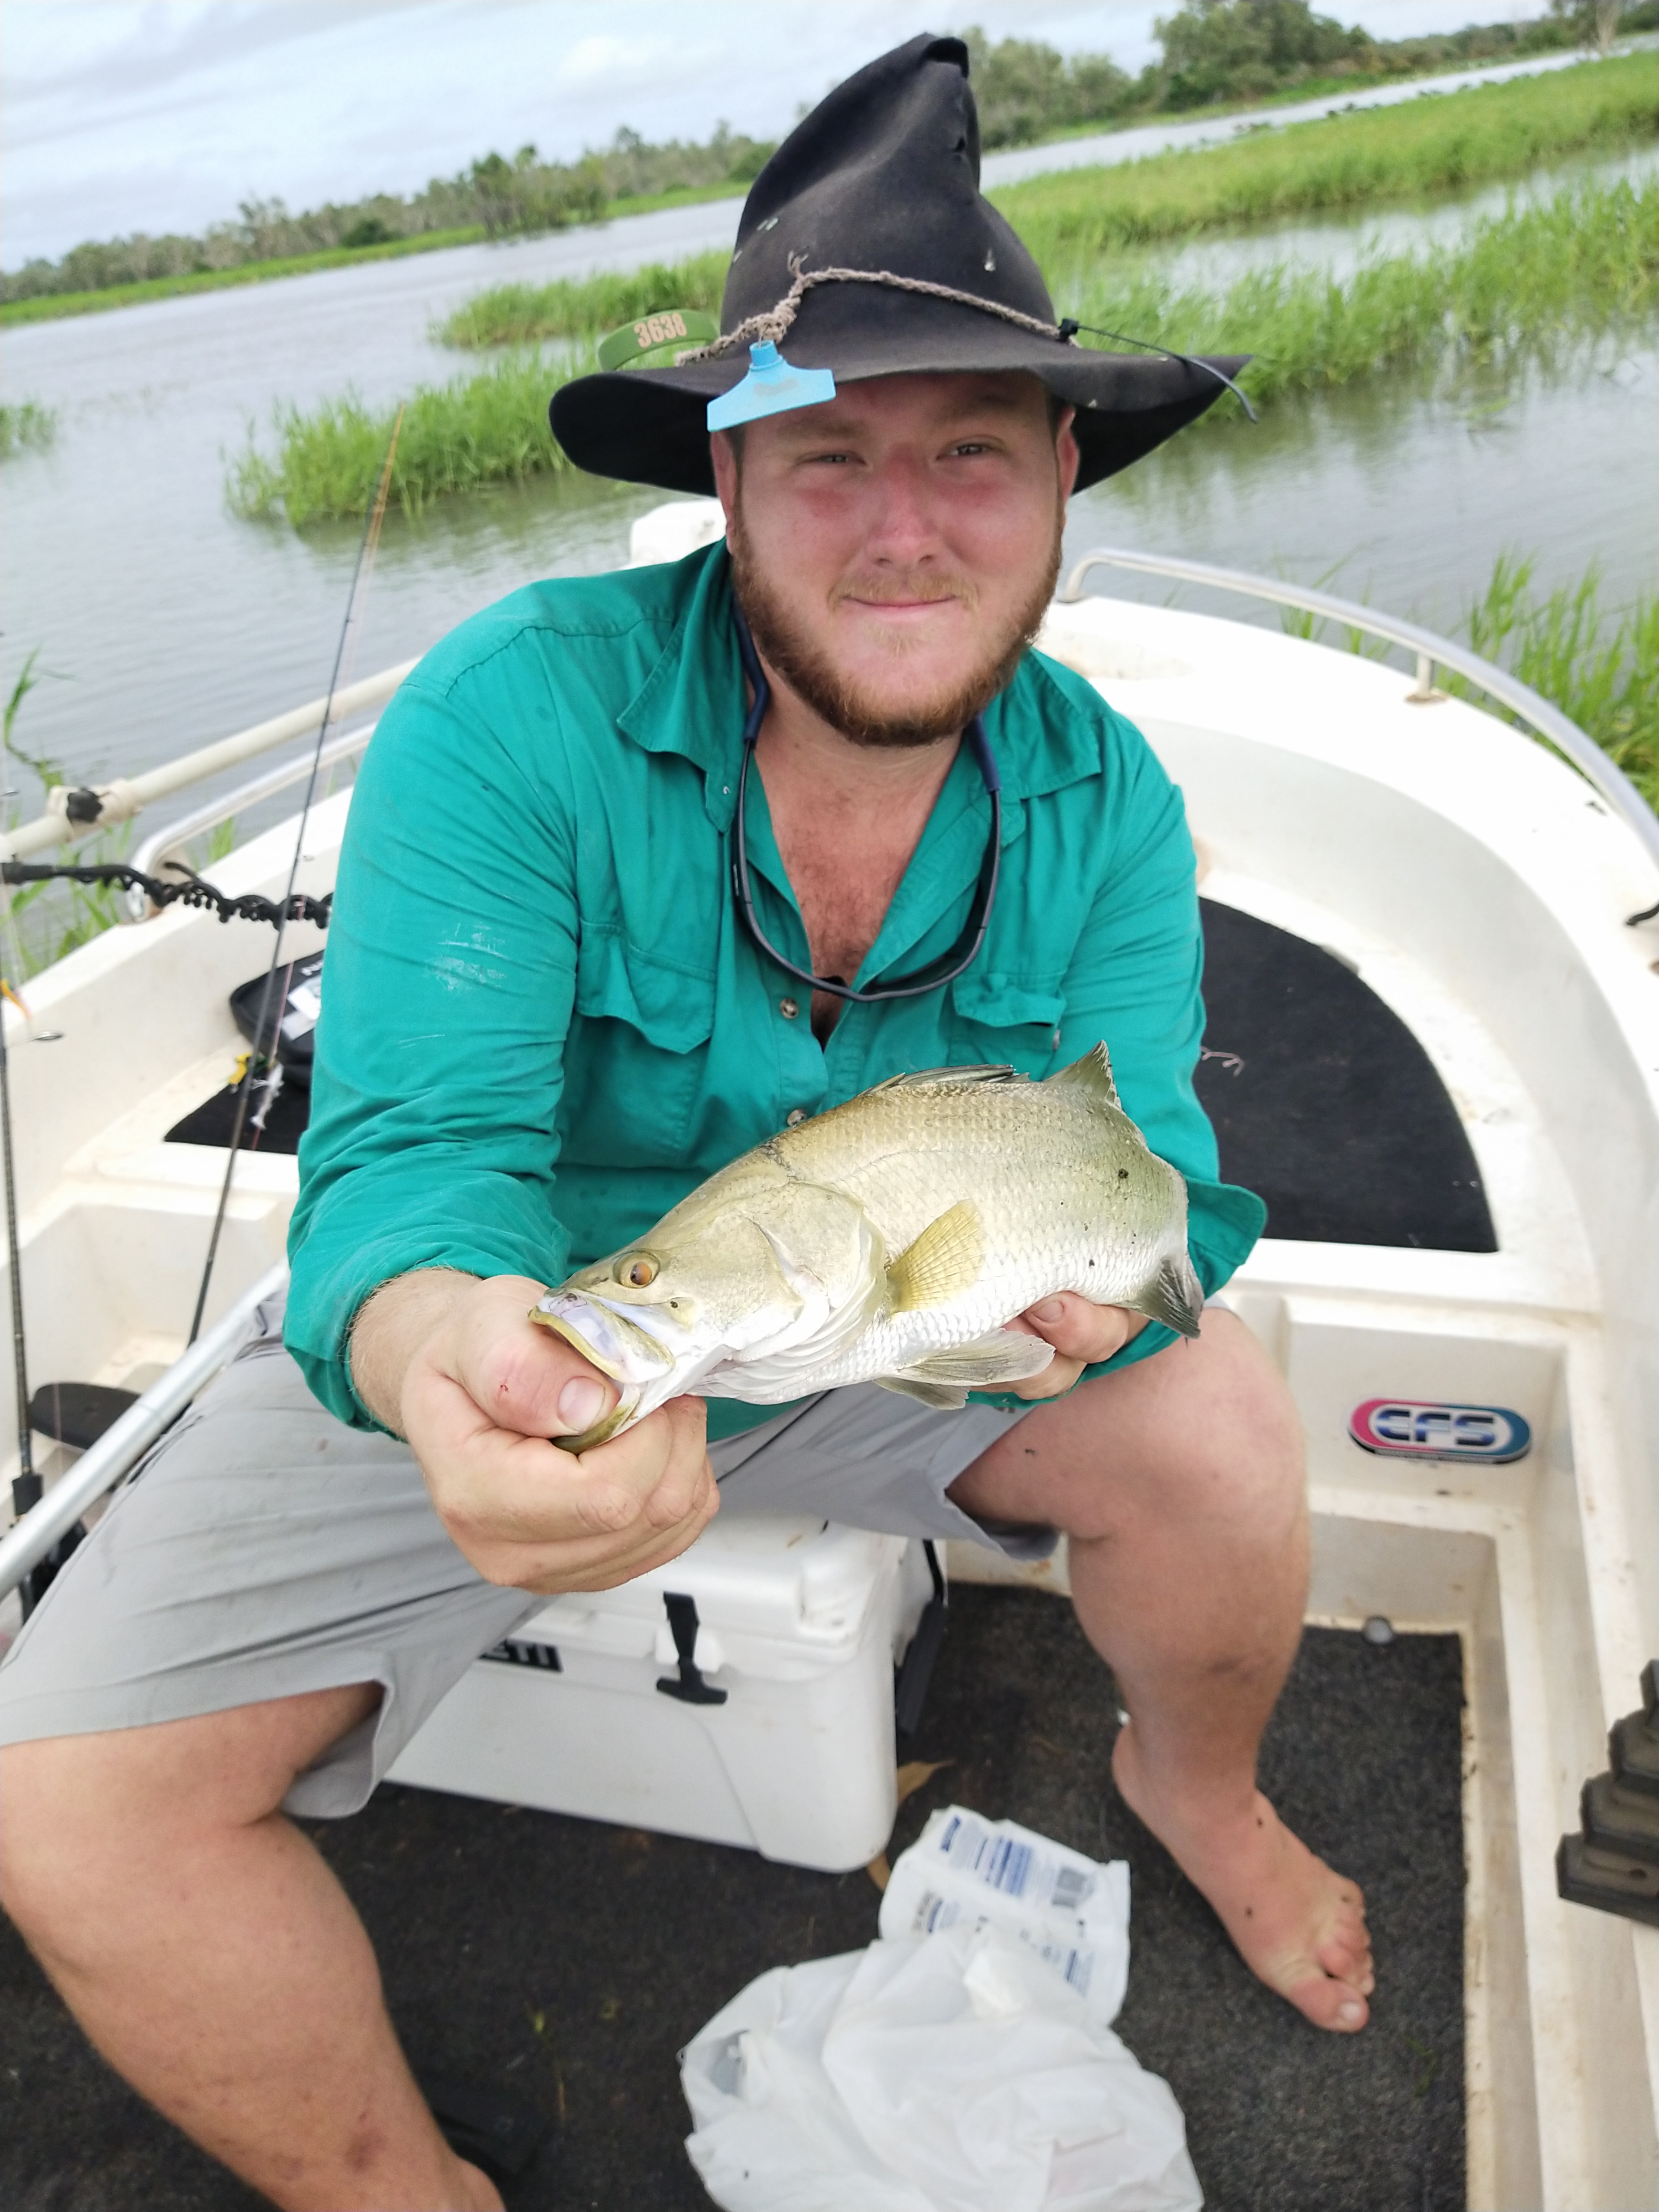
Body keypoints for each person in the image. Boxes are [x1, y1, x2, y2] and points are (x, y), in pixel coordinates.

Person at [0, 35, 1373, 2212]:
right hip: (556, 1333)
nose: (902, 527)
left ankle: (1198, 1785)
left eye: (970, 450)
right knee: (63, 1804)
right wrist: (442, 1352)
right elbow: (415, 1164)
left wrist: (1126, 1299)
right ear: (725, 481)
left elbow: (1155, 1179)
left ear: (1060, 478)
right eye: (827, 457)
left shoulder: (1106, 794)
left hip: (910, 1340)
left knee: (1221, 1434)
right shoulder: (511, 715)